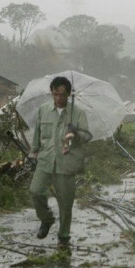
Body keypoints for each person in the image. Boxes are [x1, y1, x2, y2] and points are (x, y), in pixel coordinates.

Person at [29, 76, 92, 249]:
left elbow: (87, 135)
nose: (58, 98)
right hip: (45, 160)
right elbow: (38, 133)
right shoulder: (43, 110)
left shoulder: (77, 113)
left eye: (62, 95)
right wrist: (33, 152)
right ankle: (47, 219)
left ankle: (63, 237)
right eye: (55, 94)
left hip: (66, 162)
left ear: (69, 93)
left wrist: (76, 134)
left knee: (65, 203)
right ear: (51, 93)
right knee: (35, 191)